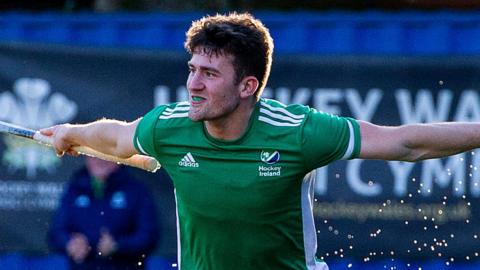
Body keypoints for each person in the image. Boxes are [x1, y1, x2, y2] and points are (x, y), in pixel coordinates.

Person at [40, 12, 480, 270]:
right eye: (192, 69)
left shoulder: (299, 131)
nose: (193, 84)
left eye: (209, 74)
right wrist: (71, 133)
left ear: (248, 85)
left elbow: (403, 143)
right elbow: (117, 138)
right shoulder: (168, 126)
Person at [48, 156, 159, 270]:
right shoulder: (75, 188)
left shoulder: (136, 189)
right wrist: (71, 243)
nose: (100, 160)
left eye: (105, 156)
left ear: (118, 158)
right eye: (93, 156)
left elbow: (148, 236)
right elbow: (56, 232)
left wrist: (118, 246)